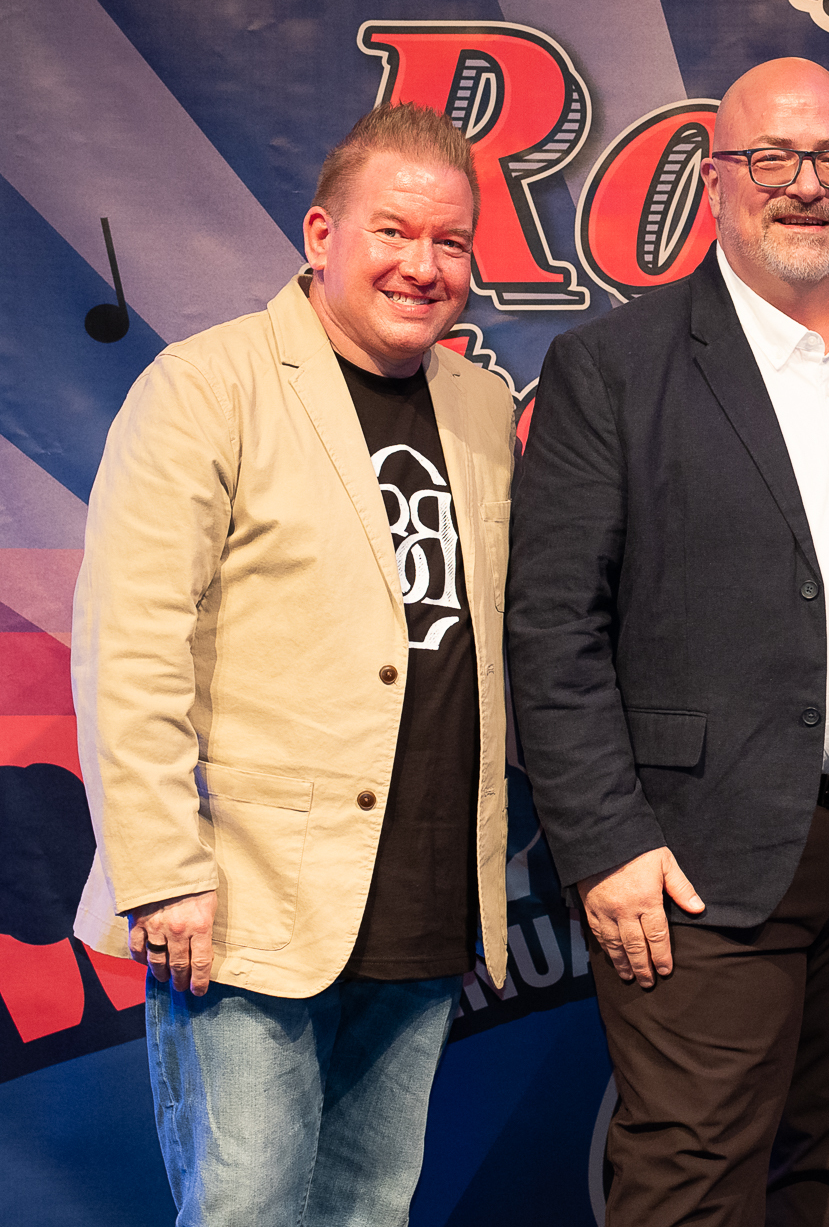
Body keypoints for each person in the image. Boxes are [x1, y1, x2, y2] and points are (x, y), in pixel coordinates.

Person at [506, 58, 829, 1226]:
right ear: (714, 175)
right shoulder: (614, 366)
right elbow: (552, 627)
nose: (805, 184)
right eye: (772, 157)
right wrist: (606, 841)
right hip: (692, 850)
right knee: (693, 1180)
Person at [69, 103, 516, 1225]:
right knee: (248, 1208)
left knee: (370, 1209)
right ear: (322, 235)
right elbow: (130, 647)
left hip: (424, 893)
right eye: (392, 232)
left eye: (450, 241)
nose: (423, 266)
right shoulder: (206, 384)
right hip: (243, 899)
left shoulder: (481, 403)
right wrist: (163, 871)